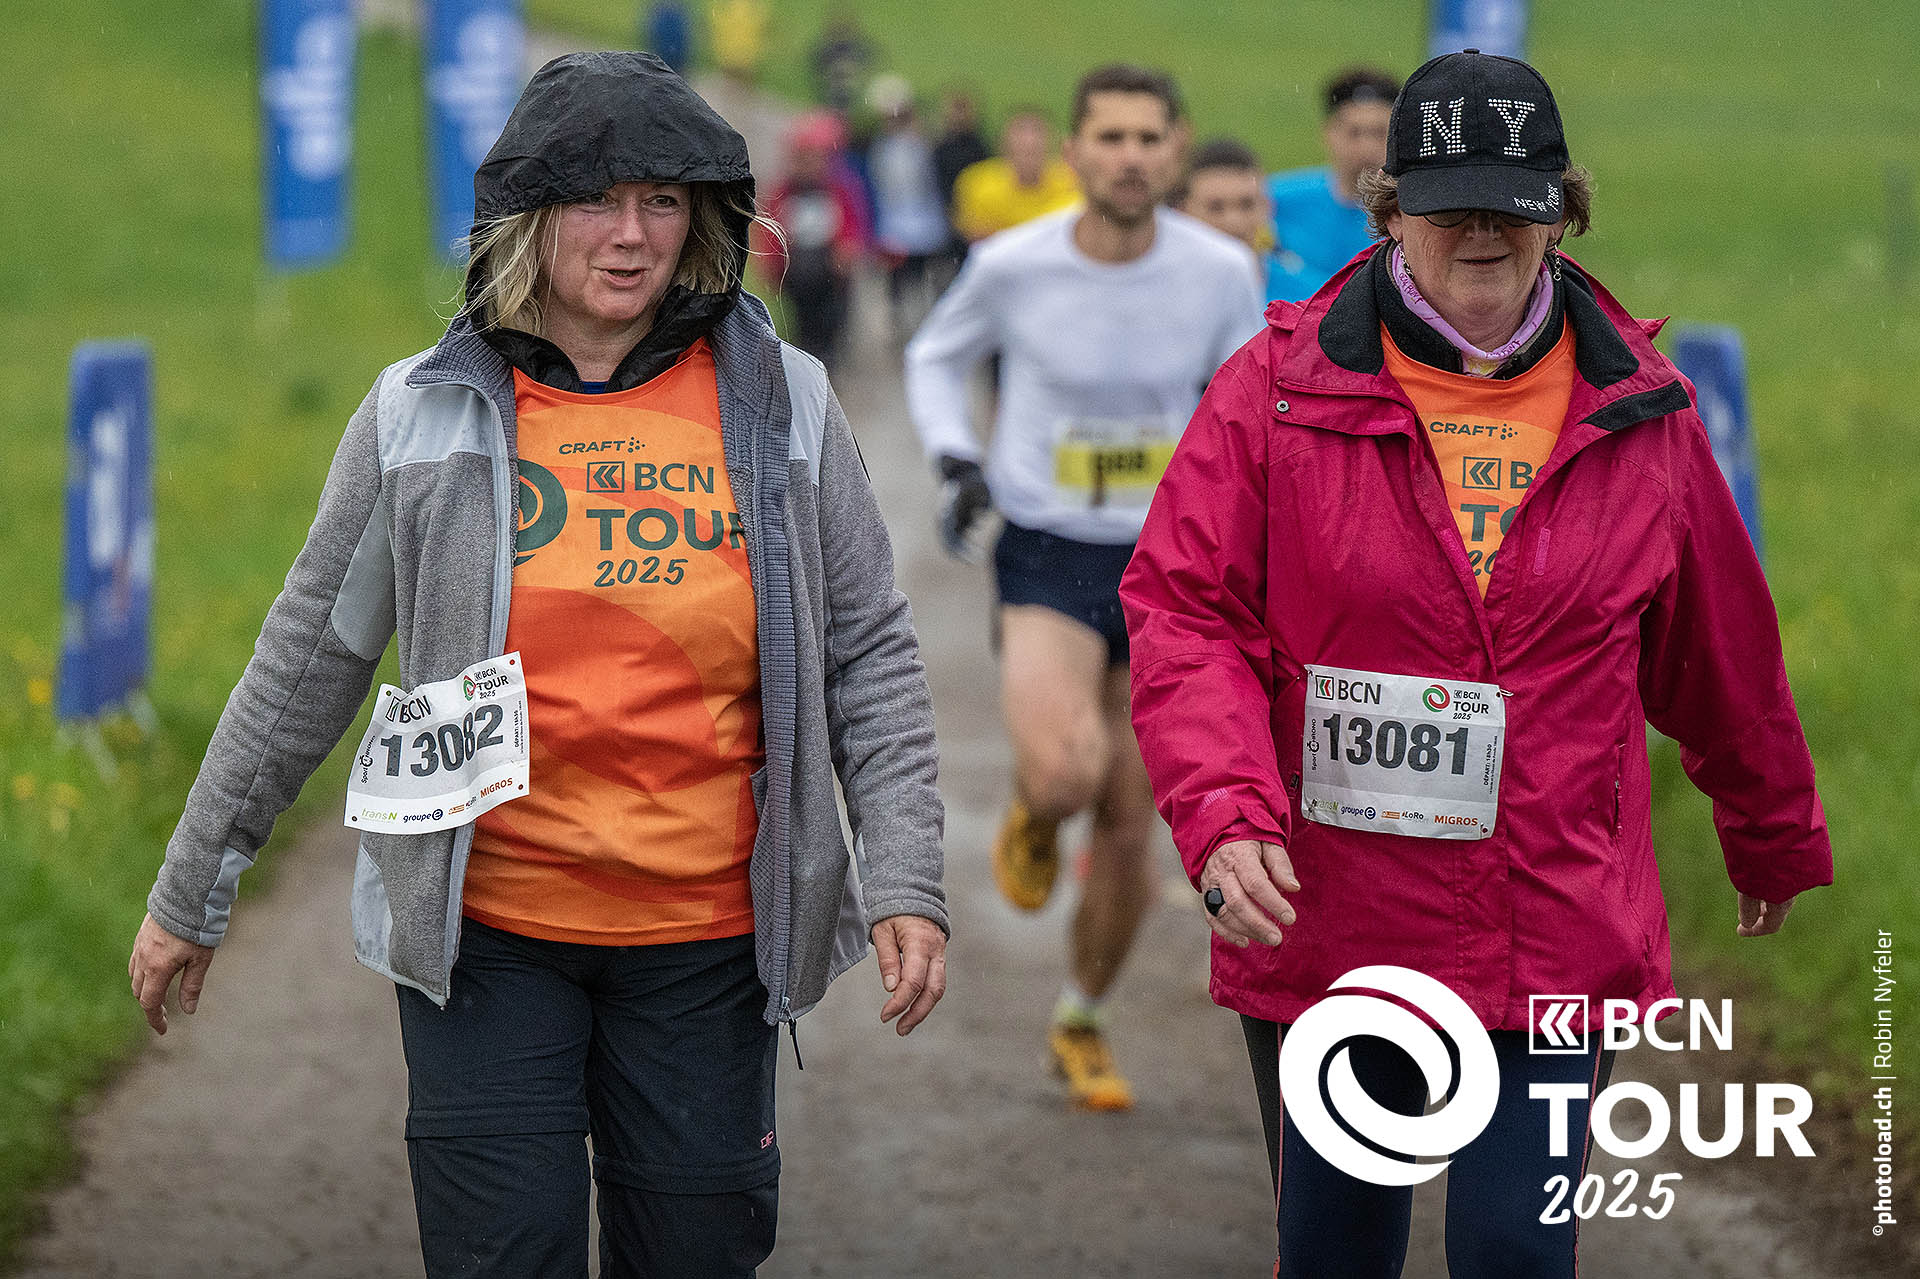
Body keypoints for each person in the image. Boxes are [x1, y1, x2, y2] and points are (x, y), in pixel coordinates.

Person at [128, 52, 949, 1278]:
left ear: (704, 218)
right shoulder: (419, 411)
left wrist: (906, 878)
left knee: (696, 1252)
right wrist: (191, 887)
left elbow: (870, 654)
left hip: (707, 939)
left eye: (662, 201)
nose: (632, 236)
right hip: (488, 939)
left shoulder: (785, 403)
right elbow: (307, 660)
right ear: (527, 217)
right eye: (596, 201)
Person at [1123, 50, 1831, 1277]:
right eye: (1452, 205)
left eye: (1515, 202)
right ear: (1391, 209)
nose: (1484, 231)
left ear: (1564, 213)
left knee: (1515, 1247)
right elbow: (1186, 611)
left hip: (1554, 915)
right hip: (1336, 918)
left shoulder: (1645, 411)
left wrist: (1769, 830)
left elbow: (1721, 648)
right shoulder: (1276, 391)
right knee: (1339, 1250)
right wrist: (1224, 809)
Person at [904, 65, 1264, 1111]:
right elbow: (935, 357)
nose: (1130, 157)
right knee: (1069, 772)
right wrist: (955, 458)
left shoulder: (1217, 272)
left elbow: (1247, 400)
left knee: (1129, 826)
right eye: (1110, 137)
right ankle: (1034, 809)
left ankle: (1081, 1016)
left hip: (1170, 565)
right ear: (1074, 152)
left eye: (1149, 138)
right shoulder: (1015, 264)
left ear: (1176, 150)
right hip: (1049, 549)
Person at [1266, 65, 1399, 301]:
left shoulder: (1411, 213)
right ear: (1329, 133)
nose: (1366, 148)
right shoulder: (1271, 201)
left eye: (1379, 133)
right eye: (1354, 132)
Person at [761, 110, 870, 369]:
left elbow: (853, 221)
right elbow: (771, 228)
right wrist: (773, 264)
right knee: (803, 322)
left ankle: (829, 359)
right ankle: (809, 361)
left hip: (830, 267)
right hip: (799, 268)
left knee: (833, 318)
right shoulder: (783, 191)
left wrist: (848, 249)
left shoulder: (839, 188)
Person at [864, 75, 950, 334]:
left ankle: (920, 323)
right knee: (899, 279)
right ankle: (902, 321)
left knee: (920, 277)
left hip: (921, 225)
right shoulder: (883, 148)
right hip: (895, 226)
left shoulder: (919, 146)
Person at [949, 108, 1080, 243]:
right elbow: (978, 237)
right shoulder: (977, 182)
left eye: (1034, 150)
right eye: (1022, 148)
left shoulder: (1071, 181)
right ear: (1003, 145)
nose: (1029, 142)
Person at [1174, 136, 1280, 286]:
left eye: (1247, 205)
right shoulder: (1162, 291)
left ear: (1268, 206)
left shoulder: (1304, 295)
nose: (1233, 222)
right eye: (1215, 208)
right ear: (1182, 213)